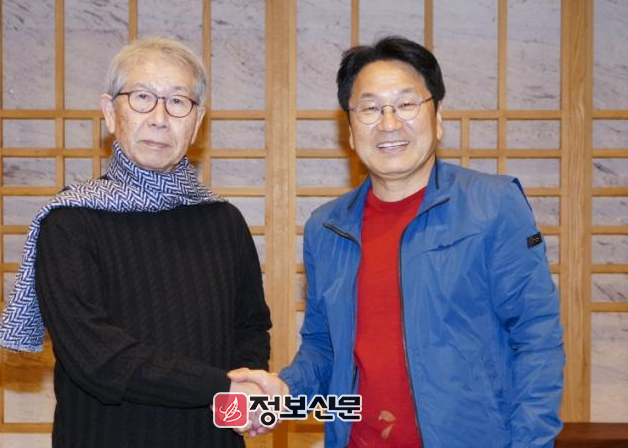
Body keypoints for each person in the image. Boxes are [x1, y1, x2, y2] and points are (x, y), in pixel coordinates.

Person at [231, 36, 564, 447]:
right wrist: (283, 393)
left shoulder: (493, 205)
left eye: (406, 104)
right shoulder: (326, 228)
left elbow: (537, 337)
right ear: (350, 131)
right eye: (370, 108)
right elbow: (324, 348)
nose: (389, 123)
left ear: (437, 118)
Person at [0, 36, 272, 447]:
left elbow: (250, 327)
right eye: (142, 97)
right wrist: (223, 388)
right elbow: (96, 357)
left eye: (177, 102)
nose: (159, 118)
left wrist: (243, 393)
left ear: (197, 122)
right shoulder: (69, 221)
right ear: (110, 112)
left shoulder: (224, 220)